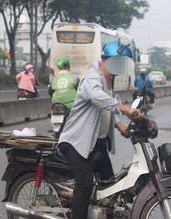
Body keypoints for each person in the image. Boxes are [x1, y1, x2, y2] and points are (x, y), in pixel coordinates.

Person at [57, 39, 143, 219]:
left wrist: (120, 126)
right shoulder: (92, 77)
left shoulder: (108, 80)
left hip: (97, 142)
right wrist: (125, 109)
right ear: (108, 60)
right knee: (85, 185)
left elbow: (106, 109)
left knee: (110, 186)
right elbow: (97, 97)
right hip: (77, 141)